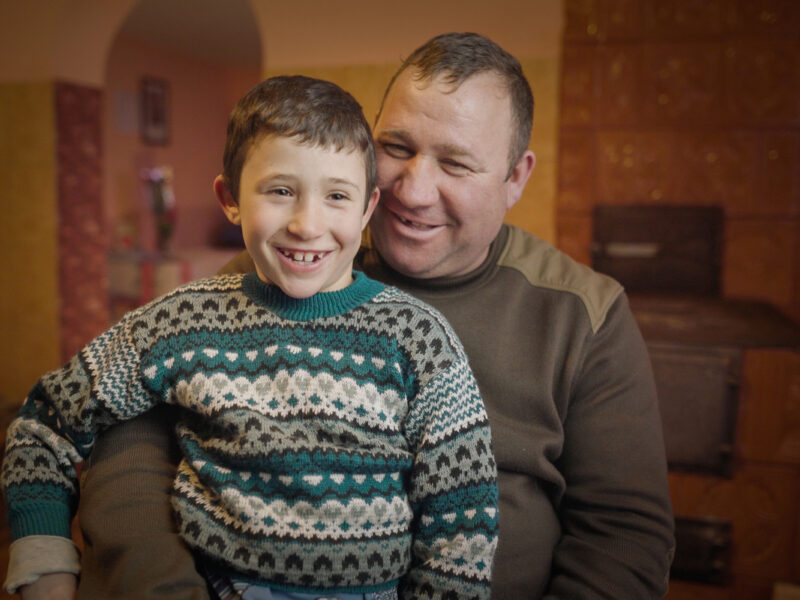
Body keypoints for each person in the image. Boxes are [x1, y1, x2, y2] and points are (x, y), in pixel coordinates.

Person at [76, 32, 675, 599]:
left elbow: (623, 536)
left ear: (515, 177)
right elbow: (132, 441)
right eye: (396, 148)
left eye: (456, 164)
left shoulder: (583, 314)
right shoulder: (289, 261)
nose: (413, 191)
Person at [2, 75, 499, 600]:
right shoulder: (182, 323)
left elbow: (462, 518)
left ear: (367, 208)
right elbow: (45, 422)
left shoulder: (418, 337)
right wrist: (44, 556)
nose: (308, 224)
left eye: (337, 195)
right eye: (281, 191)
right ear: (230, 198)